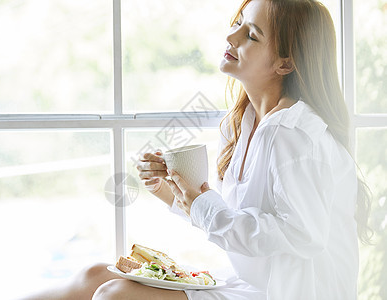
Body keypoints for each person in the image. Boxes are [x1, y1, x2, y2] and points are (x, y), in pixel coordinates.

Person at [20, 0, 371, 299]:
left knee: (114, 295)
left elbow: (302, 235)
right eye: (237, 23)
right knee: (95, 276)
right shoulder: (246, 122)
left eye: (251, 35)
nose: (231, 36)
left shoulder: (295, 135)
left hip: (285, 293)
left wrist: (202, 204)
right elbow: (238, 218)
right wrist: (173, 191)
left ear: (285, 63)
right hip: (248, 284)